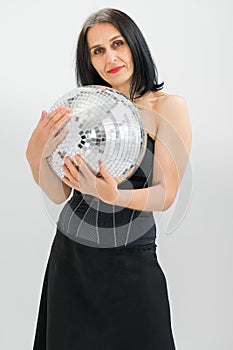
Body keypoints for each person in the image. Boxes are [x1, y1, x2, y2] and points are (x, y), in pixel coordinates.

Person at [26, 8, 192, 350]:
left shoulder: (167, 107)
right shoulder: (86, 110)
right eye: (97, 50)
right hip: (71, 260)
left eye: (118, 44)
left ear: (135, 45)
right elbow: (59, 194)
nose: (110, 57)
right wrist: (35, 155)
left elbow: (167, 194)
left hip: (131, 260)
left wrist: (114, 195)